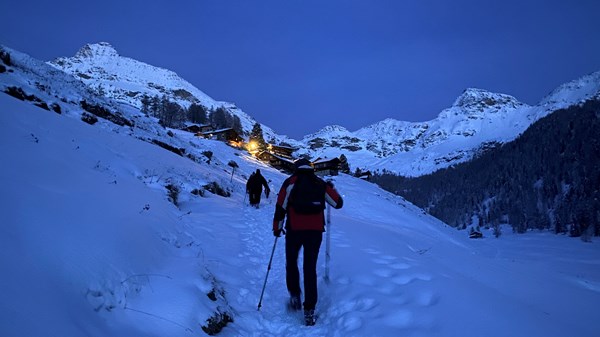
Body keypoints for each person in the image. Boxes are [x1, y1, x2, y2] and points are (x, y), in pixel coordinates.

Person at [272, 158, 343, 326]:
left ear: (296, 168)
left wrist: (277, 228)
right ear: (311, 168)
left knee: (291, 262)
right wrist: (332, 189)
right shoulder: (320, 183)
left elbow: (280, 207)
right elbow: (338, 203)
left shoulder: (290, 182)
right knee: (309, 268)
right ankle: (309, 310)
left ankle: (295, 296)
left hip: (294, 230)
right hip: (315, 232)